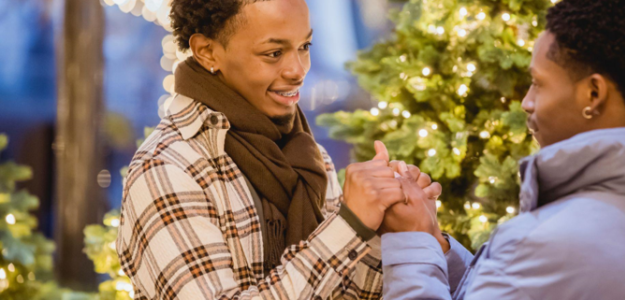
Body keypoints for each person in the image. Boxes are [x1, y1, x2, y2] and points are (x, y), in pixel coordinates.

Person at [115, 0, 441, 299]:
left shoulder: (306, 155)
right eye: (274, 53)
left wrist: (393, 229)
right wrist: (350, 224)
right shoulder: (167, 170)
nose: (298, 70)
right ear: (207, 52)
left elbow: (340, 292)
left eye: (305, 47)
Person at [378, 0, 625, 299]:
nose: (526, 102)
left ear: (593, 94)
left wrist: (411, 241)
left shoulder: (547, 242)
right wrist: (435, 243)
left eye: (538, 83)